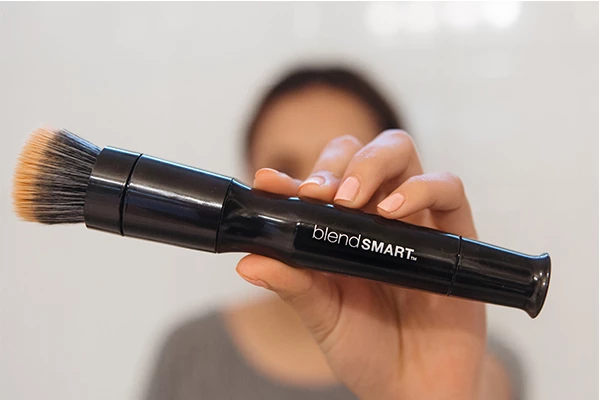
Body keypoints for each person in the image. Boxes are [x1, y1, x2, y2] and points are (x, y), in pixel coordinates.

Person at [144, 65, 521, 400]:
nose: (312, 195)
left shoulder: (483, 372)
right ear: (249, 180)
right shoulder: (189, 354)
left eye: (343, 172)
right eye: (285, 166)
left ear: (394, 181)